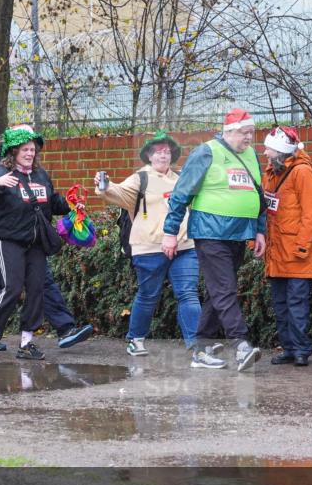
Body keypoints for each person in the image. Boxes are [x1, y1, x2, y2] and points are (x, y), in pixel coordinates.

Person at [94, 131, 225, 369]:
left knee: (188, 294)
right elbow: (118, 193)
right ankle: (135, 339)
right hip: (148, 247)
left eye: (167, 151)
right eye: (158, 151)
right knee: (148, 295)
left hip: (184, 245)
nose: (163, 154)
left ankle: (198, 350)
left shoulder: (181, 178)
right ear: (149, 155)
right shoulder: (140, 178)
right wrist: (104, 186)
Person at [162, 108, 267, 372]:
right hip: (210, 233)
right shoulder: (206, 152)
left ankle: (201, 349)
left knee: (217, 292)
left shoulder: (251, 156)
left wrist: (260, 230)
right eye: (245, 133)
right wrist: (170, 233)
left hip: (240, 233)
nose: (249, 138)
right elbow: (180, 194)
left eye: (251, 133)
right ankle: (240, 343)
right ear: (229, 131)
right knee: (224, 289)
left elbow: (258, 196)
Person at [0, 126, 93, 354]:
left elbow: (51, 202)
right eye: (25, 149)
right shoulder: (2, 174)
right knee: (10, 288)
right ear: (14, 152)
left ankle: (26, 342)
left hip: (36, 241)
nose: (30, 153)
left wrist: (72, 204)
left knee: (37, 289)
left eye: (33, 150)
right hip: (8, 239)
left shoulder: (40, 174)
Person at [261, 126, 312, 367]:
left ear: (281, 151)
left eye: (269, 148)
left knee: (296, 305)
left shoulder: (302, 173)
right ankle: (289, 348)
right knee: (281, 305)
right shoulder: (271, 173)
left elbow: (310, 215)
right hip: (278, 253)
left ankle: (300, 349)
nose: (265, 153)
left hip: (296, 254)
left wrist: (302, 248)